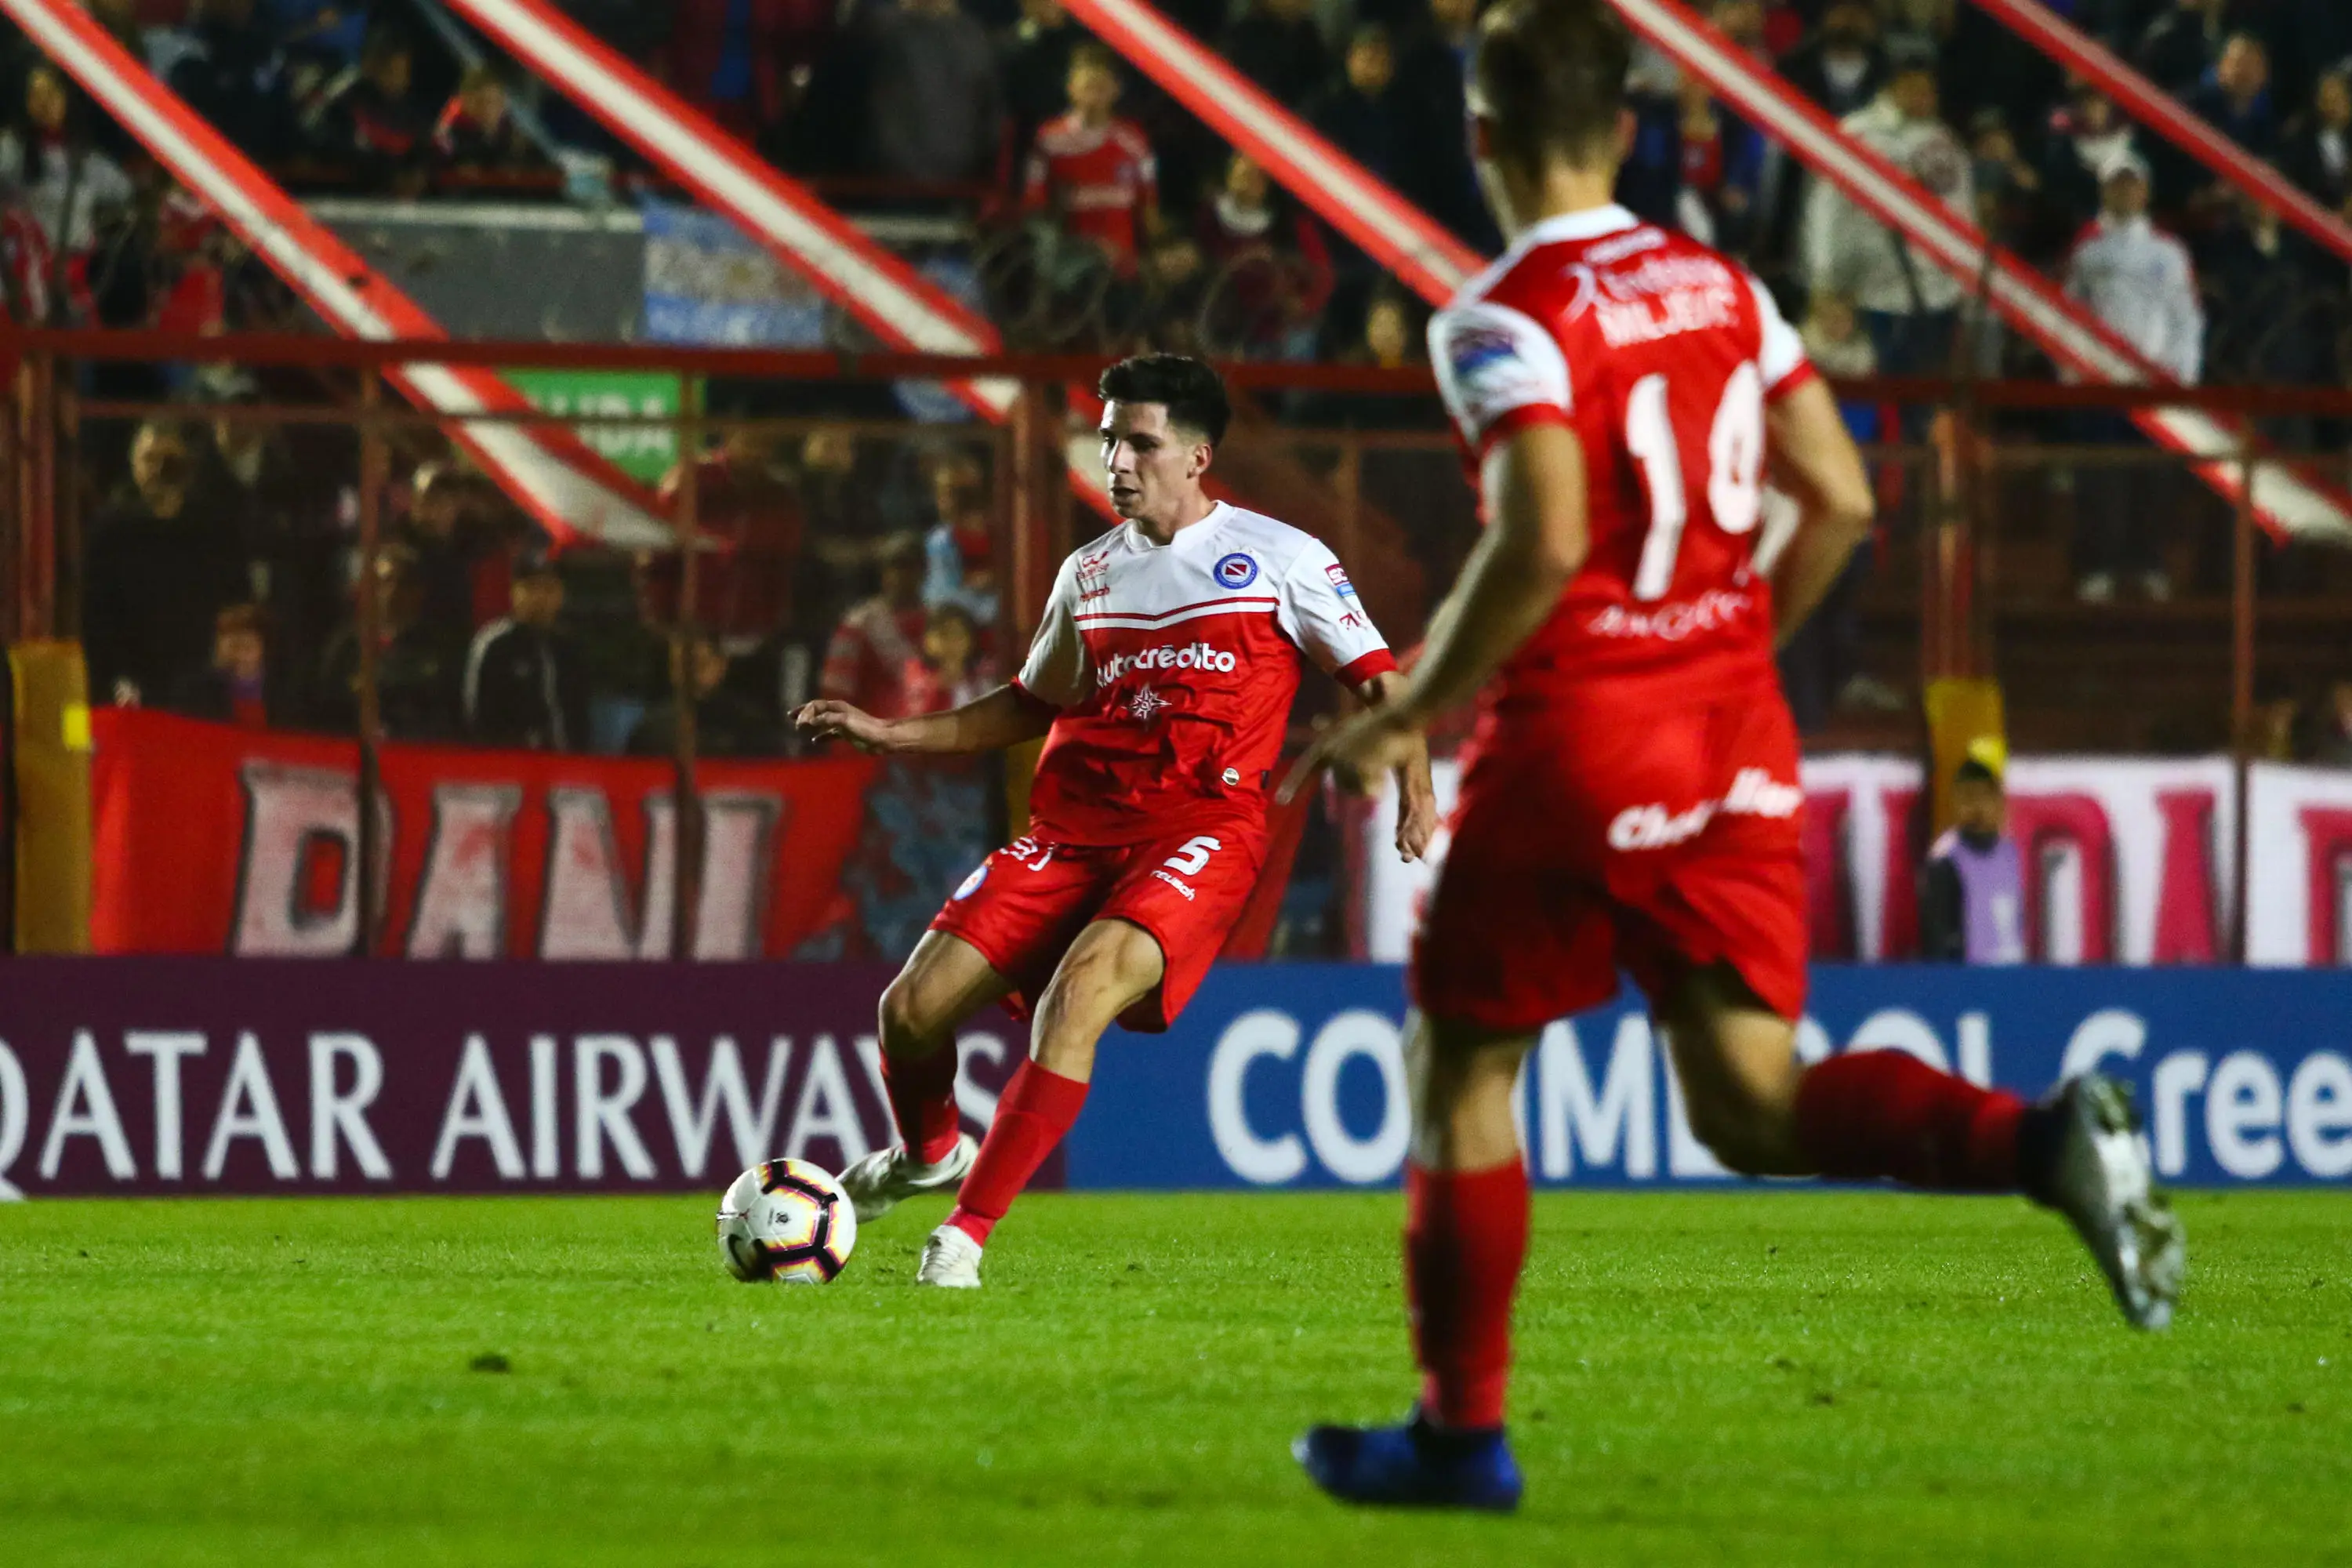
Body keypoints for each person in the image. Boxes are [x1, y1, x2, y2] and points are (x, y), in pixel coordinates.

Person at [1284, 0, 2183, 1512]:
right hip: (1732, 730)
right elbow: (1837, 498)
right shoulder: (1724, 285)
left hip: (1579, 732)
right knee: (1751, 1102)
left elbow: (1547, 532)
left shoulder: (1499, 318)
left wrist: (1412, 705)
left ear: (1482, 133)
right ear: (1627, 128)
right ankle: (2043, 1145)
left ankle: (1459, 1440)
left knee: (1462, 1069)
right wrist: (1720, 641)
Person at [796, 354, 1437, 1287]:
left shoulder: (1284, 559)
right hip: (1069, 832)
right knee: (908, 1012)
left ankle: (963, 1236)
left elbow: (1384, 682)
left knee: (1079, 991)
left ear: (1198, 454)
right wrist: (891, 729)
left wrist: (1416, 788)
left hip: (1200, 829)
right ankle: (931, 1153)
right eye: (1108, 440)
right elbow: (1028, 703)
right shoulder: (1087, 573)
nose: (1118, 460)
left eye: (1140, 441)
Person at [2063, 151, 2201, 602]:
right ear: (2104, 189)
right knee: (2101, 478)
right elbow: (2068, 315)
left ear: (2145, 189)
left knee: (2154, 479)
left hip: (2156, 385)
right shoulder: (2086, 249)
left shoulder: (2169, 250)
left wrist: (2182, 379)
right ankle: (2098, 566)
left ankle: (2148, 564)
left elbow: (2187, 317)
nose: (2125, 191)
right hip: (2100, 385)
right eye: (2116, 183)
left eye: (2132, 183)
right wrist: (2075, 374)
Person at [1020, 45, 1159, 278]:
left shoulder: (1135, 142)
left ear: (1116, 90)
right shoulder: (1049, 140)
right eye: (1088, 88)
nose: (1094, 96)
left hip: (1125, 264)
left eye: (1102, 88)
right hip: (1070, 264)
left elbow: (1149, 207)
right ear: (1071, 88)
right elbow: (1035, 206)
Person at [464, 554, 590, 750]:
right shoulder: (494, 645)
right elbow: (477, 717)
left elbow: (579, 714)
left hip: (567, 767)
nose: (540, 598)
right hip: (510, 765)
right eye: (531, 588)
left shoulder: (568, 648)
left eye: (548, 589)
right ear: (514, 592)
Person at [1920, 755, 2027, 964]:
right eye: (1967, 797)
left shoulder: (2012, 855)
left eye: (1983, 796)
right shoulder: (1946, 860)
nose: (1976, 807)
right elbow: (1938, 940)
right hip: (1969, 985)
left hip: (2013, 981)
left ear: (1998, 801)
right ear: (1954, 802)